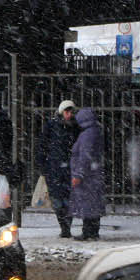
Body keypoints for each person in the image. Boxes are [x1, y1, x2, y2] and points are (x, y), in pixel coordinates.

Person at [37, 99, 79, 238]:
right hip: (54, 168)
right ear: (62, 112)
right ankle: (64, 226)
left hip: (66, 168)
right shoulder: (52, 126)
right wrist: (43, 165)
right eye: (67, 111)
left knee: (68, 199)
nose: (69, 114)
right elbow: (42, 146)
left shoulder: (74, 127)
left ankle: (66, 227)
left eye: (71, 112)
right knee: (57, 200)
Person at [69, 107, 106, 240]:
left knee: (87, 204)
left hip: (88, 177)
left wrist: (79, 174)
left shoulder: (87, 134)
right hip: (92, 174)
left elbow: (85, 156)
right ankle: (92, 231)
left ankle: (88, 232)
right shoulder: (95, 131)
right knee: (93, 204)